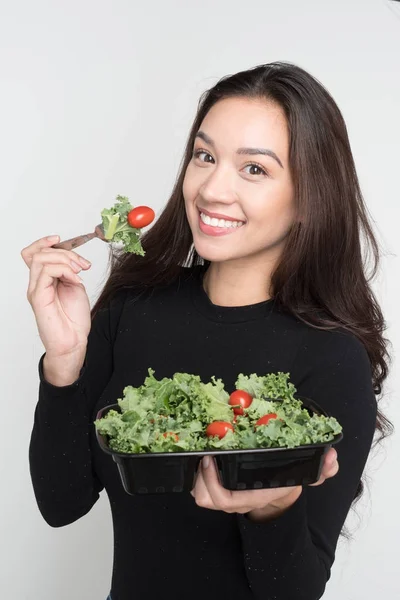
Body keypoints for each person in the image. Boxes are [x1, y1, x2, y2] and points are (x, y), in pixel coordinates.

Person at [22, 61, 392, 600]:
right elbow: (60, 503)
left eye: (255, 169)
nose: (212, 189)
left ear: (310, 197)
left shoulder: (332, 357)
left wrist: (275, 506)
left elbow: (296, 593)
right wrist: (64, 363)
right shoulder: (135, 306)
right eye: (205, 155)